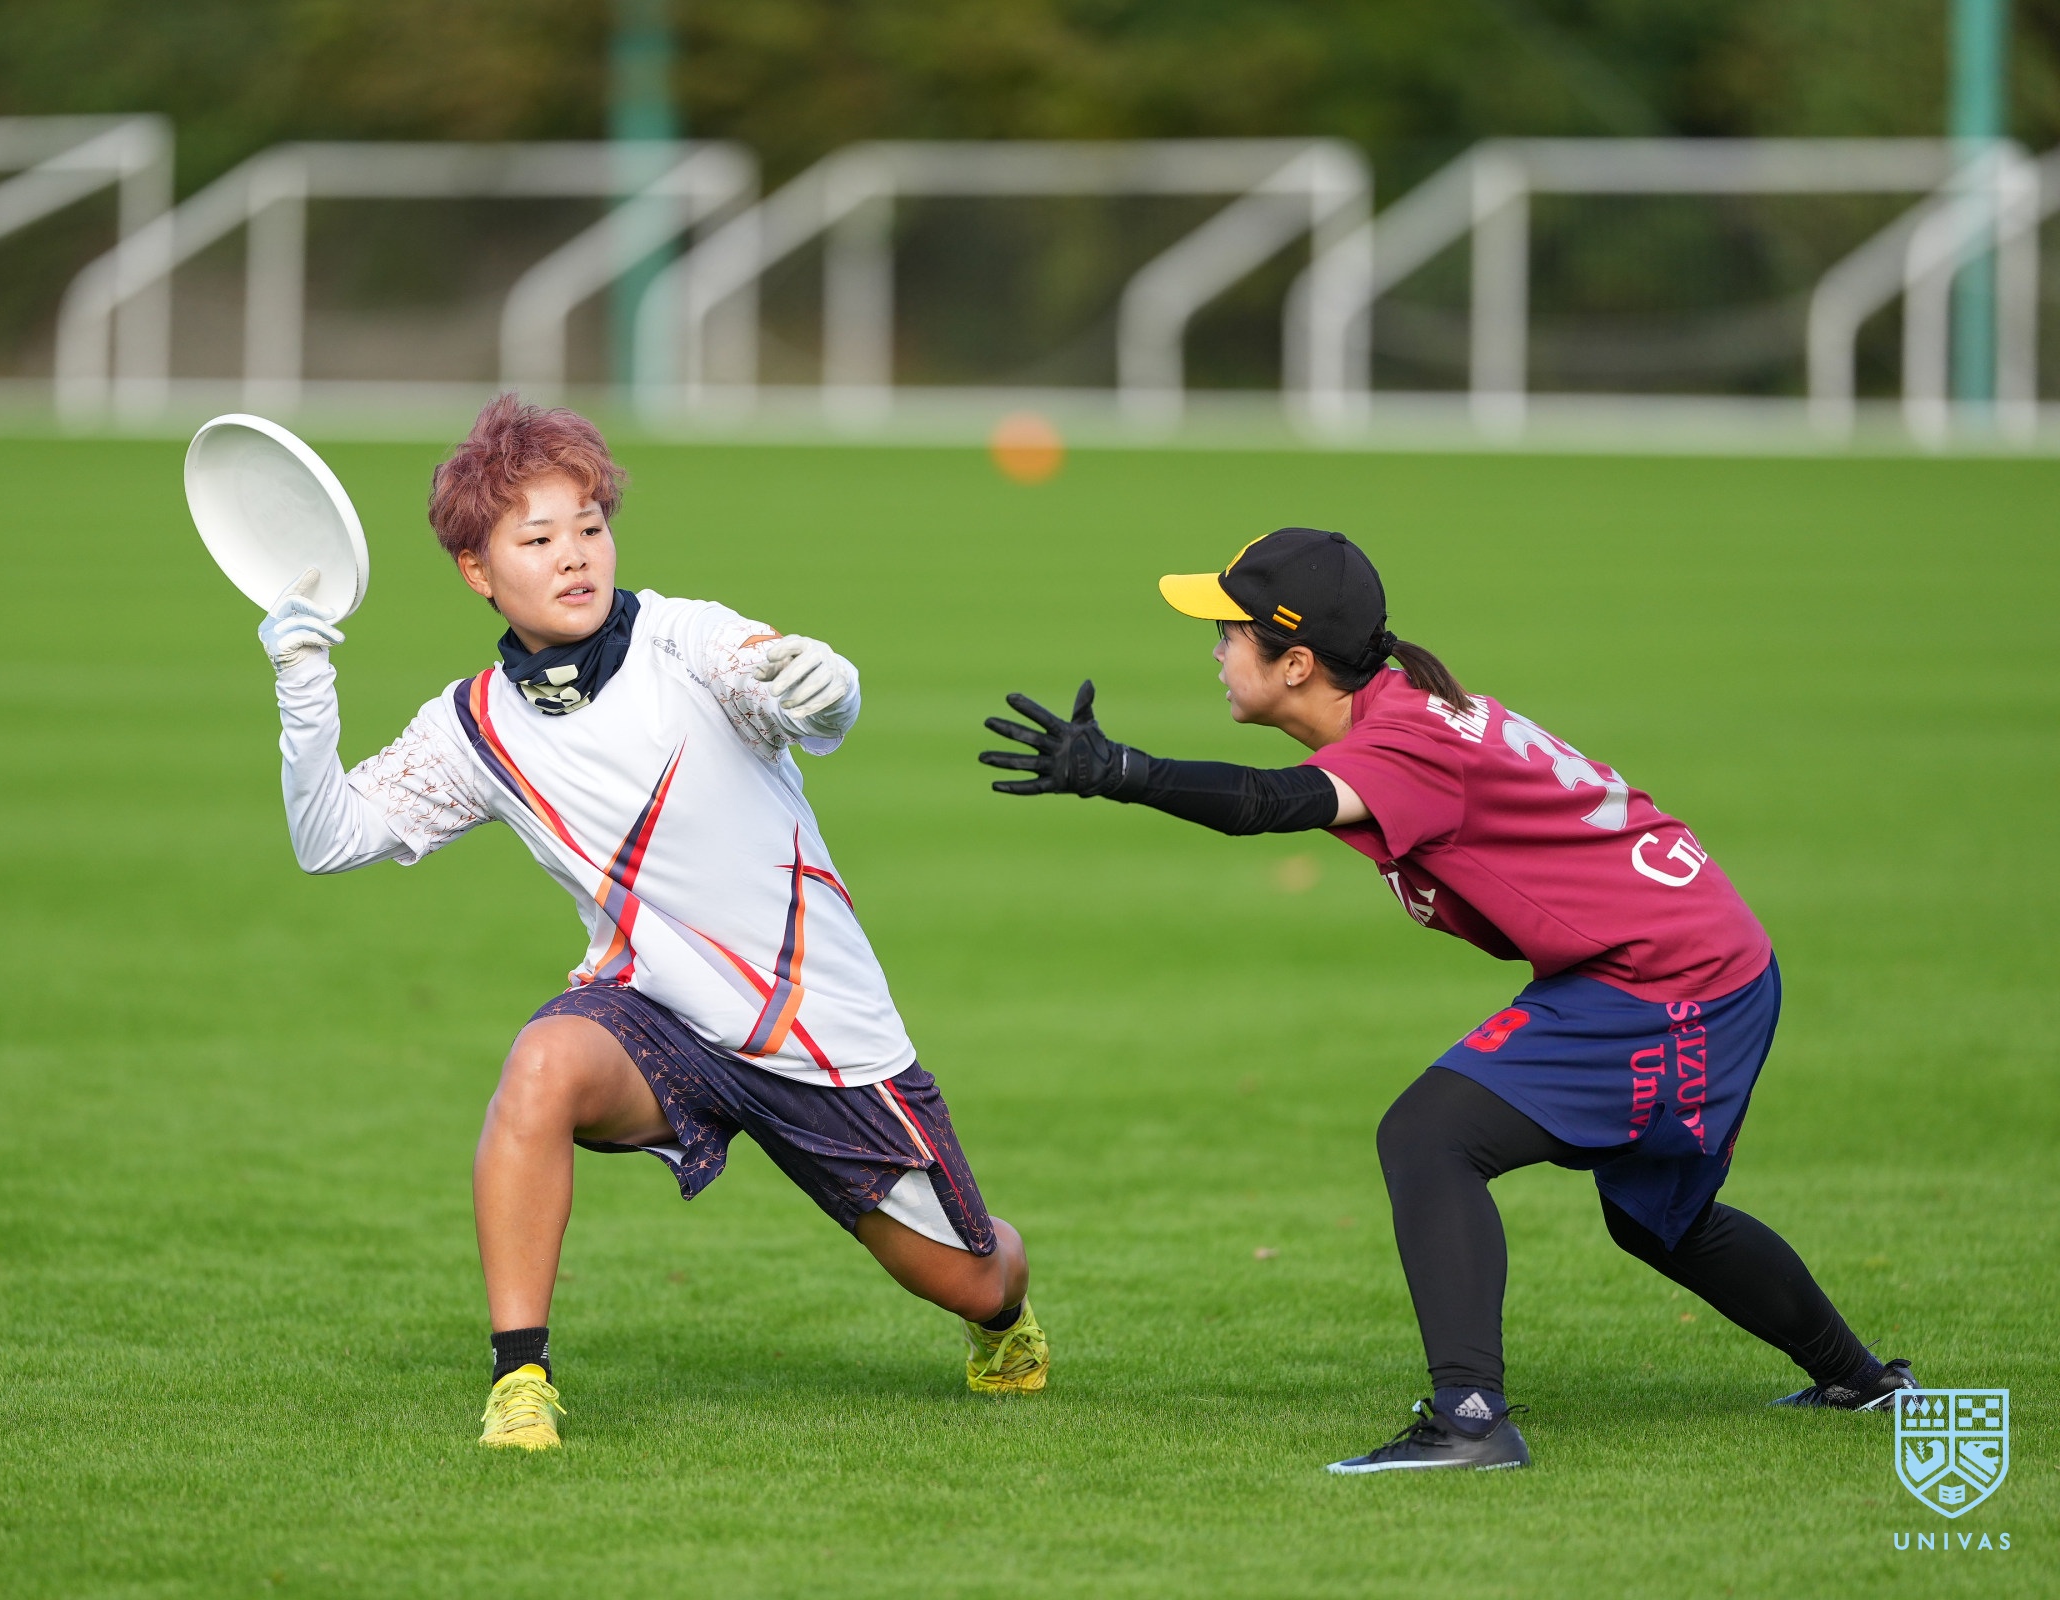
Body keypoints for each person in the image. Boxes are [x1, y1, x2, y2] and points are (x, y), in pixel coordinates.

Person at [978, 527, 1911, 1474]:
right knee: (1657, 1219)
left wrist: (1124, 774)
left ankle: (1471, 1421)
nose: (1215, 651)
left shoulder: (1404, 742)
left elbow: (1270, 804)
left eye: (1229, 632)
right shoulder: (1403, 710)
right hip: (1694, 959)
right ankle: (1862, 1382)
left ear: (1297, 663)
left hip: (1670, 977)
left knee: (1431, 1136)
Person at [260, 394, 1046, 1451]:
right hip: (654, 1017)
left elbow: (796, 692)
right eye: (538, 538)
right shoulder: (472, 726)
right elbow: (330, 835)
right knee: (541, 1066)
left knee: (969, 1276)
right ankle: (520, 1380)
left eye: (590, 526)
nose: (574, 555)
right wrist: (302, 675)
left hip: (818, 1028)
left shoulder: (686, 638)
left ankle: (1004, 1315)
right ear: (477, 569)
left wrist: (831, 686)